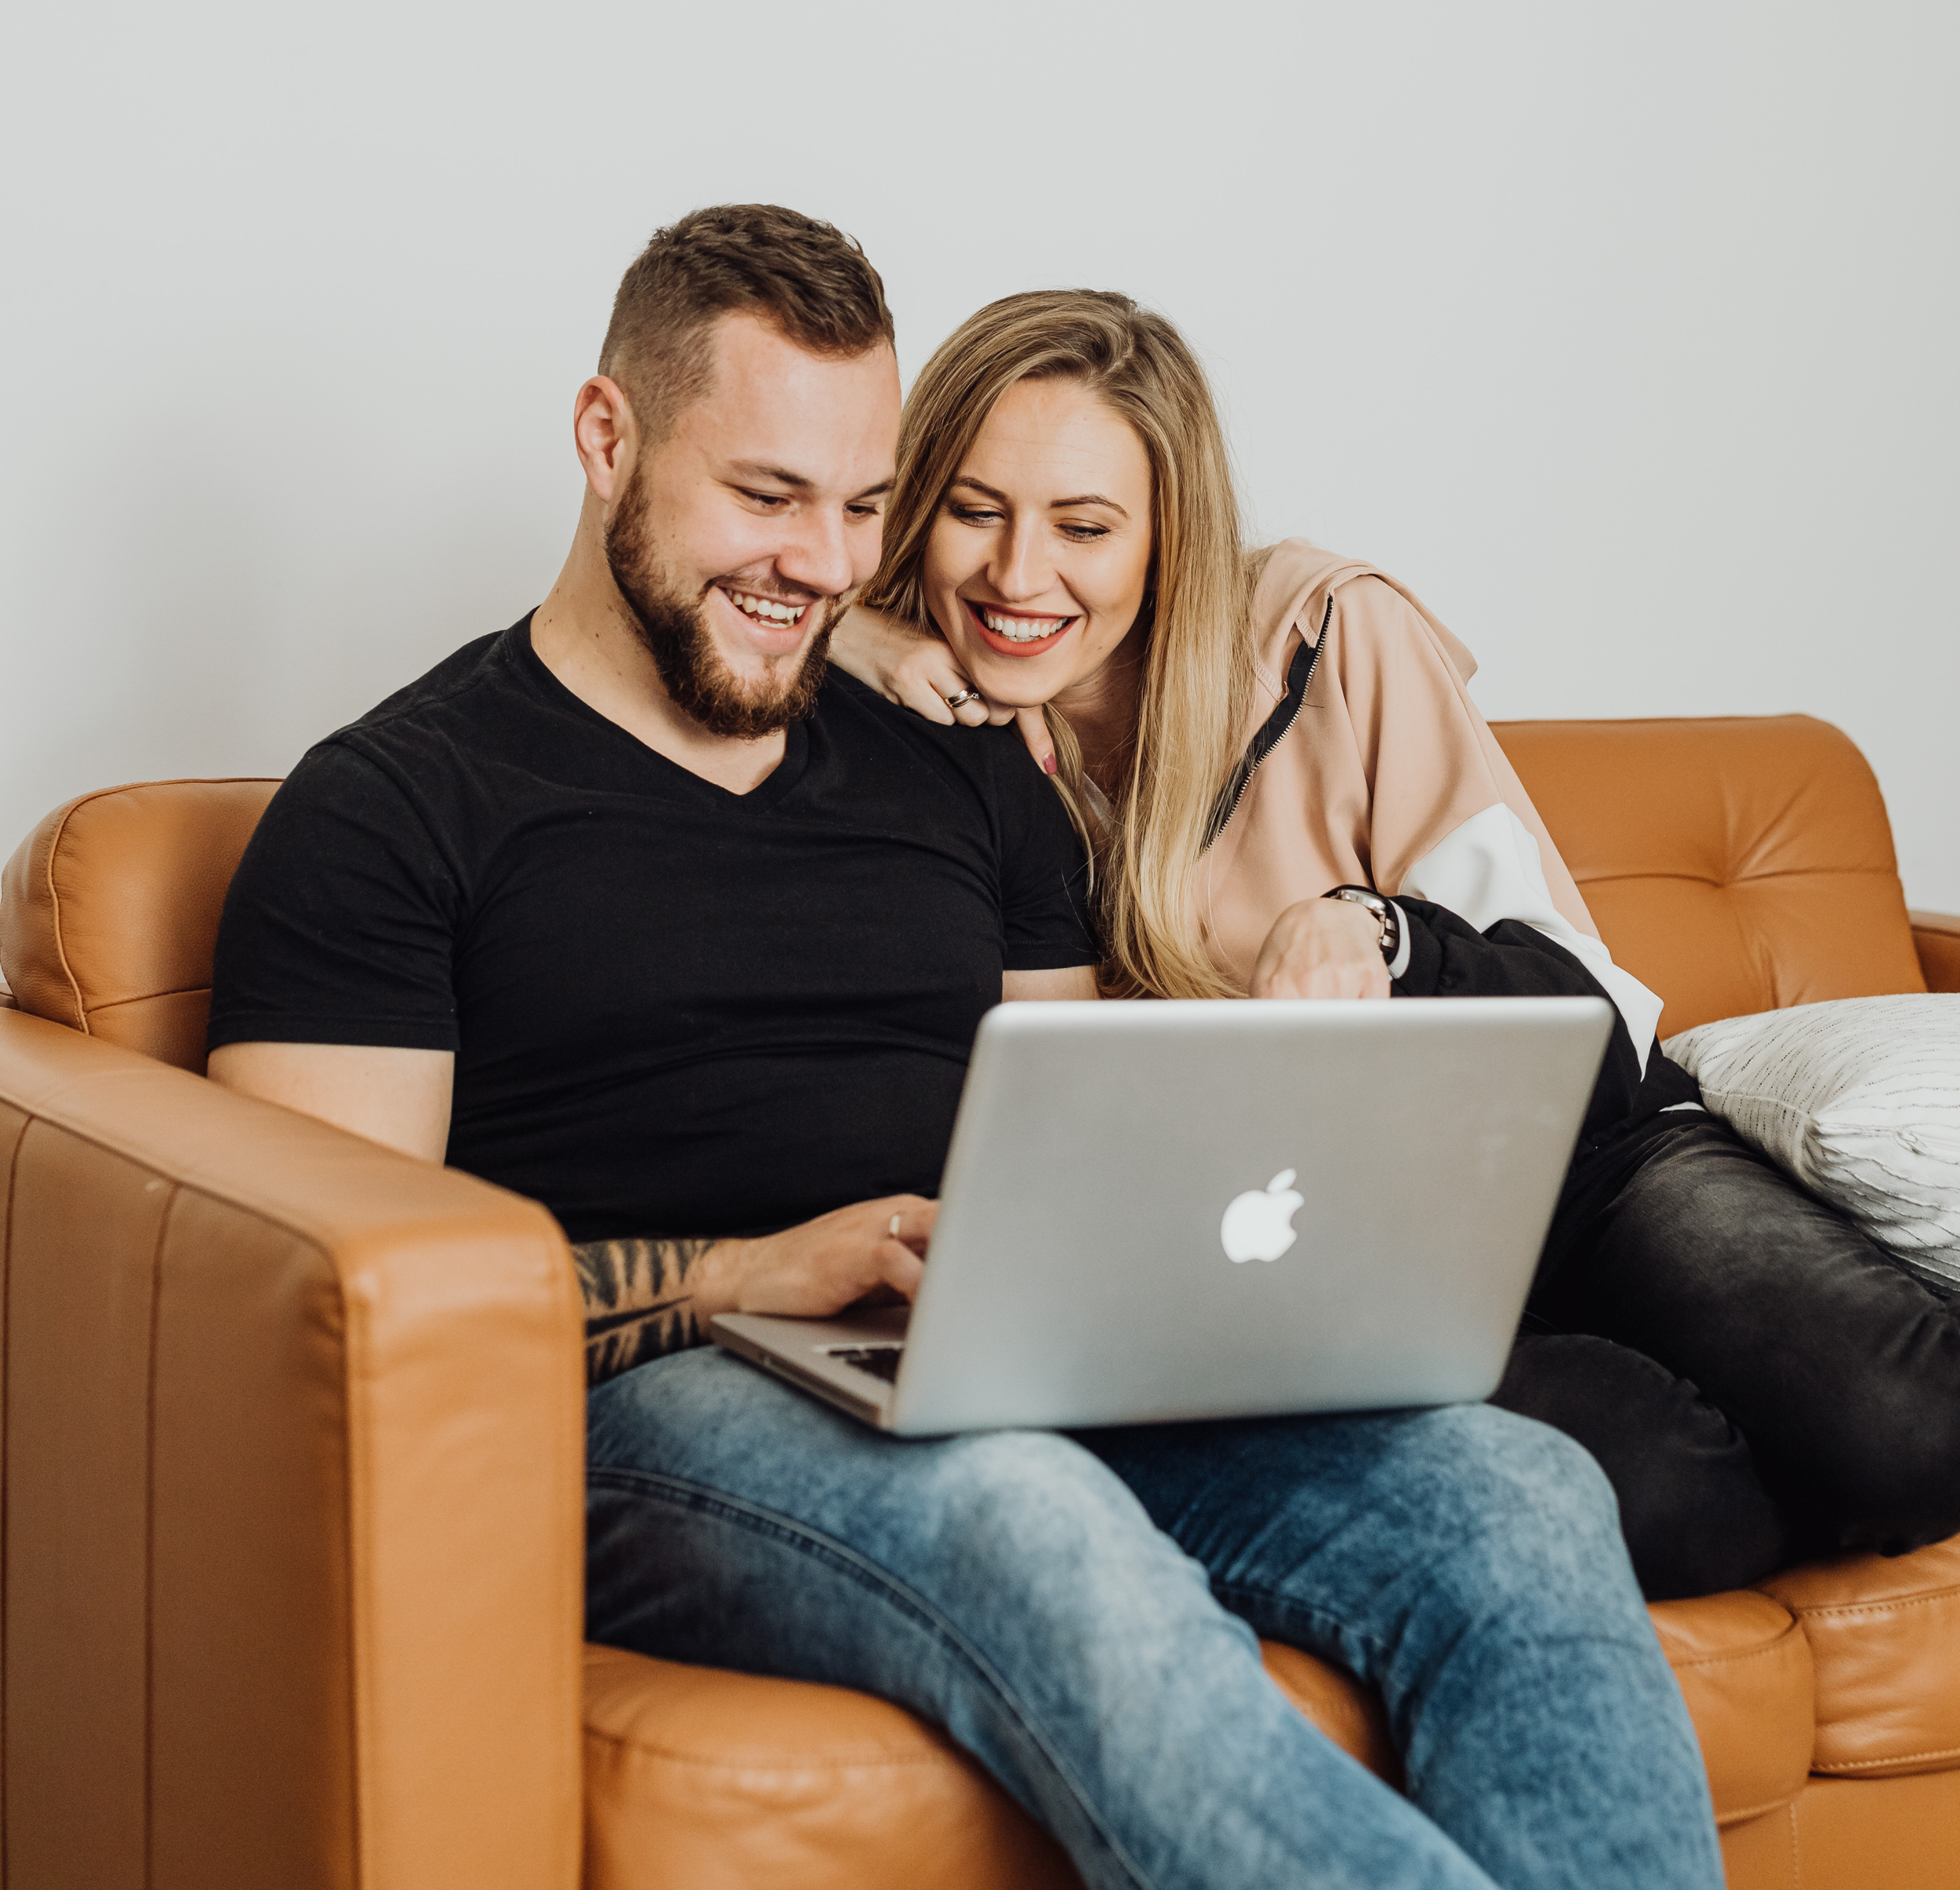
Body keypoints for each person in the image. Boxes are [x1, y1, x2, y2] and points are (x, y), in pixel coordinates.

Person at [205, 205, 1723, 1889]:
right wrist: (743, 1271)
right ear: (604, 437)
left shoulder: (958, 763)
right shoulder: (391, 811)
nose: (818, 560)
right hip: (662, 1403)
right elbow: (328, 1312)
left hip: (992, 1355)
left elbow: (1079, 1127)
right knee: (1026, 1517)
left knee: (1512, 1491)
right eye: (764, 497)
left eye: (860, 509)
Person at [833, 287, 1960, 1602]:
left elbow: (1588, 1008)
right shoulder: (922, 739)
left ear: (1165, 535)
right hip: (1327, 1259)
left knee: (1911, 1432)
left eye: (1085, 526)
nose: (1021, 577)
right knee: (1661, 1496)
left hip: (1579, 1162)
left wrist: (1384, 932)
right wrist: (846, 631)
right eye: (976, 511)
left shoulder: (1330, 637)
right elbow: (704, 615)